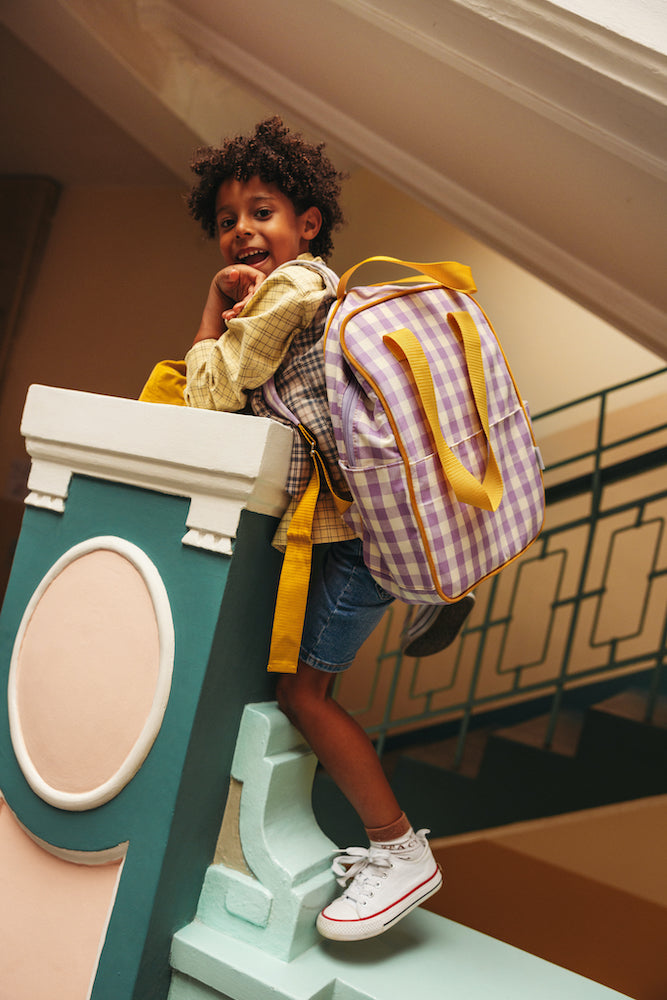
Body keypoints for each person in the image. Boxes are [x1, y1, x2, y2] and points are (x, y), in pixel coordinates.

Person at [180, 117, 461, 942]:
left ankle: (397, 849)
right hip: (354, 529)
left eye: (261, 211)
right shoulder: (309, 294)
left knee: (300, 695)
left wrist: (212, 303)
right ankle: (437, 580)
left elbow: (207, 396)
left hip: (355, 539)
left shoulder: (294, 289)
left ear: (307, 225)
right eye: (227, 218)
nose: (241, 230)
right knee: (306, 681)